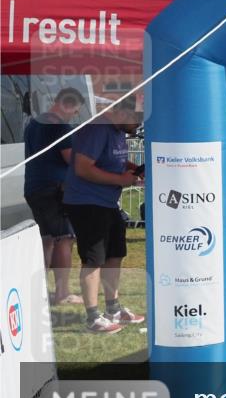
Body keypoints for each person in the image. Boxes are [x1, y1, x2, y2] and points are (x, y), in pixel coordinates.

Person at [62, 96, 145, 334]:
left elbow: (110, 159)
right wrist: (121, 179)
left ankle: (114, 309)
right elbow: (83, 168)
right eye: (136, 118)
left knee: (115, 254)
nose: (138, 125)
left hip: (107, 202)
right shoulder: (97, 129)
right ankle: (92, 317)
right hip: (86, 202)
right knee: (93, 259)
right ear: (122, 113)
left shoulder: (118, 131)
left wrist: (130, 167)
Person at [23, 87, 85, 305]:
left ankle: (38, 292)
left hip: (34, 188)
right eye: (75, 111)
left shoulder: (33, 124)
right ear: (67, 104)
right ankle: (62, 293)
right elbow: (71, 159)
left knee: (47, 240)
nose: (74, 116)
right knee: (64, 238)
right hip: (54, 190)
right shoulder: (59, 126)